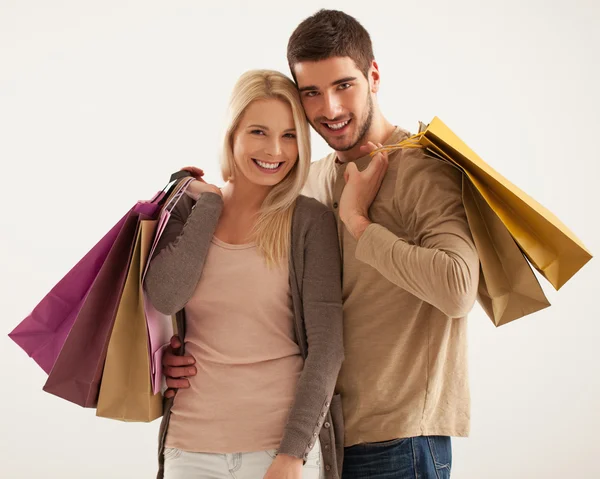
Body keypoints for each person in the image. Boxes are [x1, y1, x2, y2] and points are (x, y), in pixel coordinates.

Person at [162, 9, 480, 479]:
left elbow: (458, 290)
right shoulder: (309, 181)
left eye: (343, 85)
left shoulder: (422, 170)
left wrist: (356, 221)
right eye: (311, 92)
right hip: (327, 434)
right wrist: (173, 354)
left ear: (373, 76)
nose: (329, 108)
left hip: (399, 434)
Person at [144, 69, 349, 479]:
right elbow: (165, 297)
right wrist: (209, 206)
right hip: (191, 444)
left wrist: (293, 454)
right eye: (259, 131)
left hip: (279, 449)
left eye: (290, 135)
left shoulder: (309, 221)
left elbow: (327, 348)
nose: (275, 149)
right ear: (233, 133)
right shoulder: (192, 210)